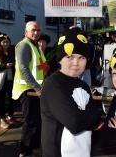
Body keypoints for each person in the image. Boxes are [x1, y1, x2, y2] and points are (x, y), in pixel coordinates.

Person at [40, 29, 103, 157]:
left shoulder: (83, 85)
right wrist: (94, 118)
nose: (76, 63)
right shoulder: (54, 84)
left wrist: (92, 117)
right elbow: (74, 122)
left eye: (81, 57)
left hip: (82, 151)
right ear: (59, 59)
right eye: (70, 57)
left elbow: (94, 117)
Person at [12, 21, 47, 157]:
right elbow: (24, 69)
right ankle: (24, 152)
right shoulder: (24, 45)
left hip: (34, 89)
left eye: (38, 30)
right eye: (33, 30)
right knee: (30, 121)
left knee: (37, 120)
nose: (36, 32)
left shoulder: (35, 46)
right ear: (26, 31)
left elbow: (39, 67)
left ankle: (34, 148)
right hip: (27, 90)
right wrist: (38, 89)